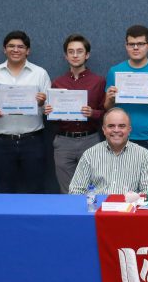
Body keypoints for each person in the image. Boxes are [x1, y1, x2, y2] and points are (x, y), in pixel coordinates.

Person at [0, 30, 51, 193]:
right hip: (3, 141)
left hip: (33, 140)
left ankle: (35, 219)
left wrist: (42, 102)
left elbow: (51, 108)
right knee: (6, 188)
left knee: (36, 188)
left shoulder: (40, 73)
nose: (15, 50)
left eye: (20, 46)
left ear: (28, 51)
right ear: (4, 49)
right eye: (11, 46)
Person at [104, 25, 148, 178]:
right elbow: (107, 107)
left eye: (140, 44)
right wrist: (110, 98)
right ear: (126, 46)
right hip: (119, 137)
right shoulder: (115, 71)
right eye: (131, 44)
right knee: (118, 186)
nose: (136, 48)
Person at [44, 34, 106, 194]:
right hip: (64, 142)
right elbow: (52, 120)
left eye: (79, 51)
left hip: (90, 140)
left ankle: (93, 219)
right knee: (67, 191)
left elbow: (106, 114)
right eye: (71, 52)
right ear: (66, 56)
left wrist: (93, 113)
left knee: (94, 189)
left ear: (87, 55)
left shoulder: (98, 81)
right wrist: (50, 113)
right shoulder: (57, 83)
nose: (75, 55)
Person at [69, 108, 148, 195]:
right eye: (111, 126)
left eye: (122, 126)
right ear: (103, 129)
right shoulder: (90, 155)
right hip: (98, 206)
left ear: (129, 130)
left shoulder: (144, 155)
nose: (116, 130)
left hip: (130, 206)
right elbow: (76, 191)